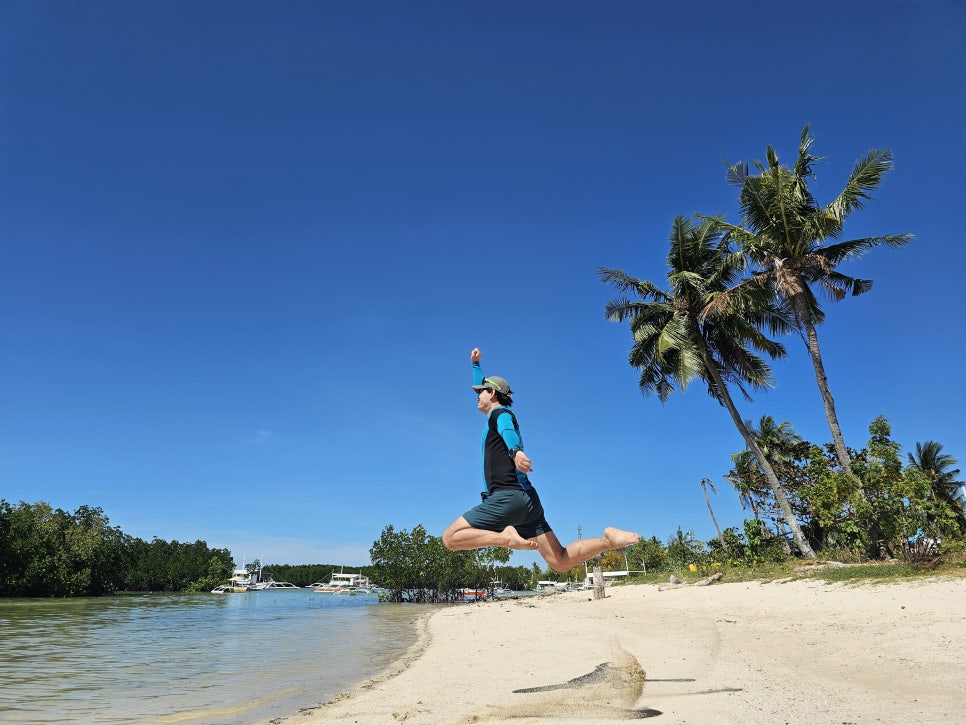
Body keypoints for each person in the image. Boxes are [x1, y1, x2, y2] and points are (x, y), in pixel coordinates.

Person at [442, 348, 640, 572]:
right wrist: (475, 364)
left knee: (451, 538)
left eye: (481, 392)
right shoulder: (496, 412)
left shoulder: (500, 415)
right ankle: (609, 541)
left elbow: (508, 432)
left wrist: (516, 452)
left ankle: (505, 537)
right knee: (561, 561)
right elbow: (485, 389)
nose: (477, 396)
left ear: (493, 394)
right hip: (528, 503)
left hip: (507, 496)